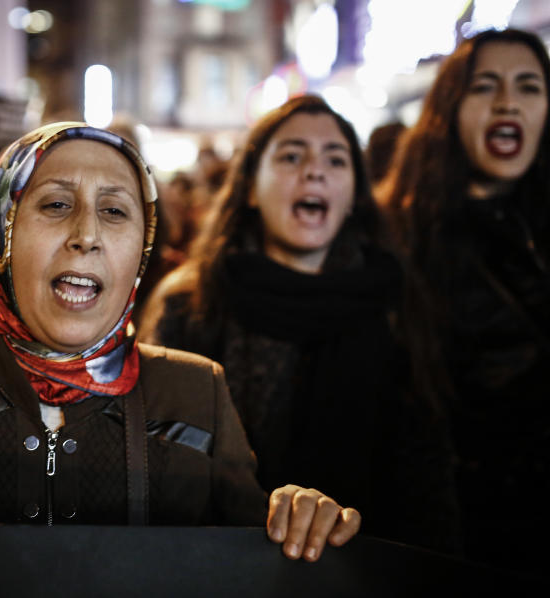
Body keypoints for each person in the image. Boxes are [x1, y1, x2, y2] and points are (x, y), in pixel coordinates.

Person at [0, 122, 362, 594]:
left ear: (142, 249)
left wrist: (298, 524)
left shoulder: (195, 392)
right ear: (2, 231)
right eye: (54, 205)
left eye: (115, 210)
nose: (87, 234)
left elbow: (248, 577)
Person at [139, 95, 458, 552]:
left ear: (353, 195)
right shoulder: (191, 301)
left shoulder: (396, 301)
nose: (315, 171)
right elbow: (158, 473)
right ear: (249, 187)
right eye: (292, 156)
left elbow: (428, 479)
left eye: (335, 159)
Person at [379, 28, 550, 576]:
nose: (508, 102)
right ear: (449, 109)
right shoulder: (396, 240)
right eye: (486, 87)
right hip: (453, 543)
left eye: (529, 86)